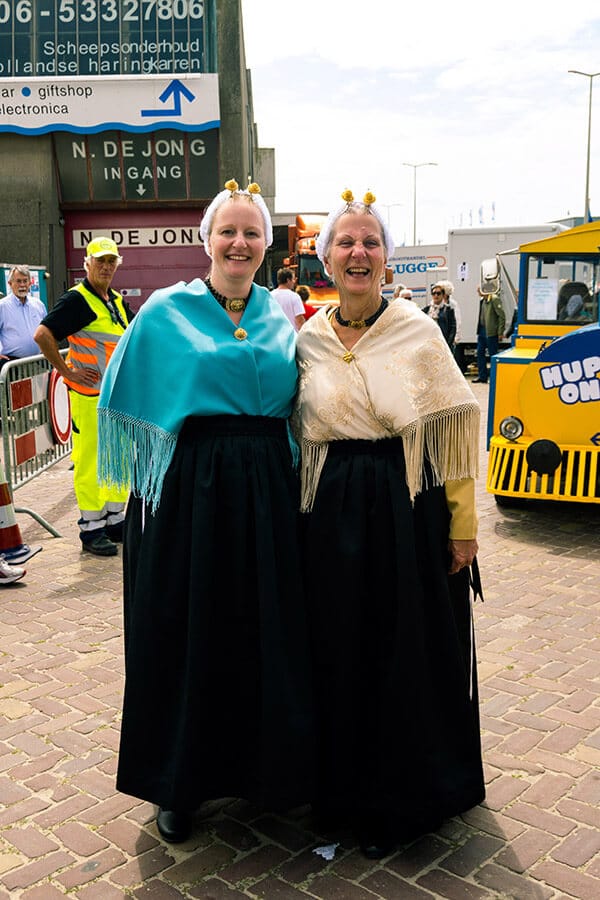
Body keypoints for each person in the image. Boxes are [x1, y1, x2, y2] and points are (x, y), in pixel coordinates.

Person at [97, 179, 313, 844]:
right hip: (190, 493)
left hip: (269, 492)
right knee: (184, 630)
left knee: (264, 630)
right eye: (228, 231)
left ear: (266, 244)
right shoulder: (165, 311)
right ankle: (177, 784)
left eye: (251, 232)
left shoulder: (282, 316)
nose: (239, 242)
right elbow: (120, 394)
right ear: (207, 240)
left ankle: (266, 775)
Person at [293, 188, 484, 860]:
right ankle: (340, 793)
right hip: (330, 514)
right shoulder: (308, 339)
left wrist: (463, 526)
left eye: (370, 242)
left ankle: (400, 797)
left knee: (400, 649)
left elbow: (454, 430)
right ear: (326, 258)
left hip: (406, 508)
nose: (358, 252)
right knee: (337, 650)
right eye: (345, 241)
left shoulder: (417, 331)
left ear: (386, 260)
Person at [34, 238, 134, 557]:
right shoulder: (78, 300)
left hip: (115, 398)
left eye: (111, 262)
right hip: (89, 397)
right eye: (100, 261)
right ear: (87, 264)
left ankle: (115, 520)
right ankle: (92, 529)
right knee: (90, 463)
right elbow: (42, 334)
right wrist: (66, 371)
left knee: (118, 461)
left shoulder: (116, 300)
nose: (106, 267)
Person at [0, 266, 47, 366]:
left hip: (38, 361)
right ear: (10, 284)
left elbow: (47, 330)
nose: (22, 285)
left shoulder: (38, 305)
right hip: (12, 364)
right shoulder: (2, 306)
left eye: (25, 281)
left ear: (30, 283)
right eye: (18, 281)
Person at [474, 284, 505, 383]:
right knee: (480, 353)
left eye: (479, 290)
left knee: (493, 355)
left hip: (491, 332)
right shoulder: (483, 301)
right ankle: (482, 376)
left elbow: (501, 316)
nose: (478, 292)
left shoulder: (494, 299)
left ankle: (494, 377)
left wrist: (500, 332)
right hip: (482, 331)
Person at [423, 281, 457, 348]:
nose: (436, 295)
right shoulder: (427, 309)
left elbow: (453, 328)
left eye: (438, 293)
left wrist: (448, 344)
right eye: (433, 293)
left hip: (443, 343)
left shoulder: (448, 309)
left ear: (443, 295)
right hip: (429, 342)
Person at [271, 266, 306, 331]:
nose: (294, 282)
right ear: (288, 280)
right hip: (292, 337)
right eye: (293, 279)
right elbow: (299, 320)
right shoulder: (294, 297)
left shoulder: (270, 296)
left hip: (275, 337)